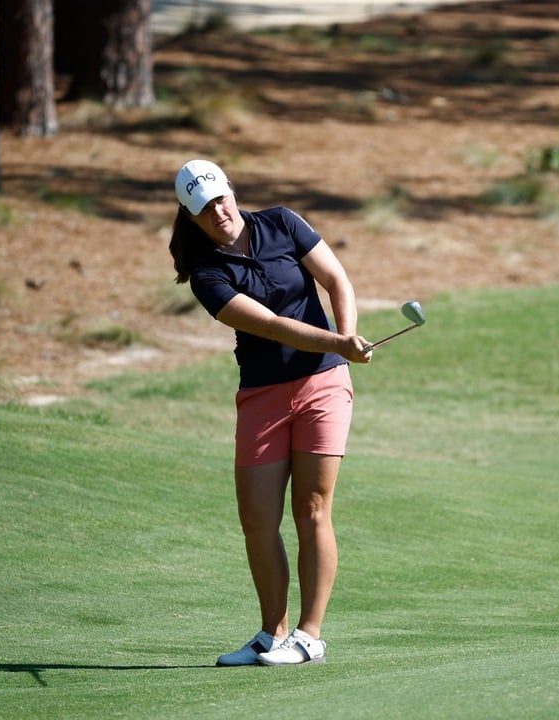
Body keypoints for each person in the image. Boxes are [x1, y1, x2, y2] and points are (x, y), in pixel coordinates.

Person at [169, 159, 373, 667]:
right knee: (257, 520)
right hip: (262, 394)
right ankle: (271, 635)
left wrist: (344, 337)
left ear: (231, 190)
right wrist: (341, 342)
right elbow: (272, 326)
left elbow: (336, 279)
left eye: (221, 198)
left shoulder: (282, 222)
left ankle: (310, 635)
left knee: (312, 508)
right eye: (204, 208)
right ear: (190, 217)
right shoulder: (207, 274)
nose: (218, 211)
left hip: (323, 384)